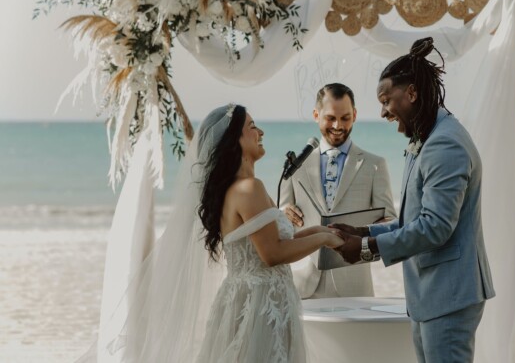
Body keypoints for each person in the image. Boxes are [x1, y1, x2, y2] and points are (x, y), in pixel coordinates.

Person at [81, 104, 343, 363]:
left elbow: (274, 241)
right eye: (252, 127)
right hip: (261, 306)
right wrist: (324, 240)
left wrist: (320, 230)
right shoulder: (249, 188)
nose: (260, 132)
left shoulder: (237, 189)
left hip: (255, 299)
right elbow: (272, 254)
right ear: (234, 141)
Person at [332, 38, 495, 362]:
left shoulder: (444, 145)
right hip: (433, 294)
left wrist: (366, 250)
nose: (382, 112)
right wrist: (363, 232)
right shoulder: (429, 137)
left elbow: (435, 227)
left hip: (448, 295)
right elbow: (414, 222)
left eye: (386, 100)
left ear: (411, 94)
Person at [280, 83, 397, 298]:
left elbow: (390, 222)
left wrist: (365, 233)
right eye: (330, 118)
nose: (338, 125)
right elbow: (281, 225)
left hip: (354, 286)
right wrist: (283, 212)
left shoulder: (375, 165)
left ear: (355, 115)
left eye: (345, 118)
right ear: (316, 115)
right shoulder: (296, 165)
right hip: (302, 285)